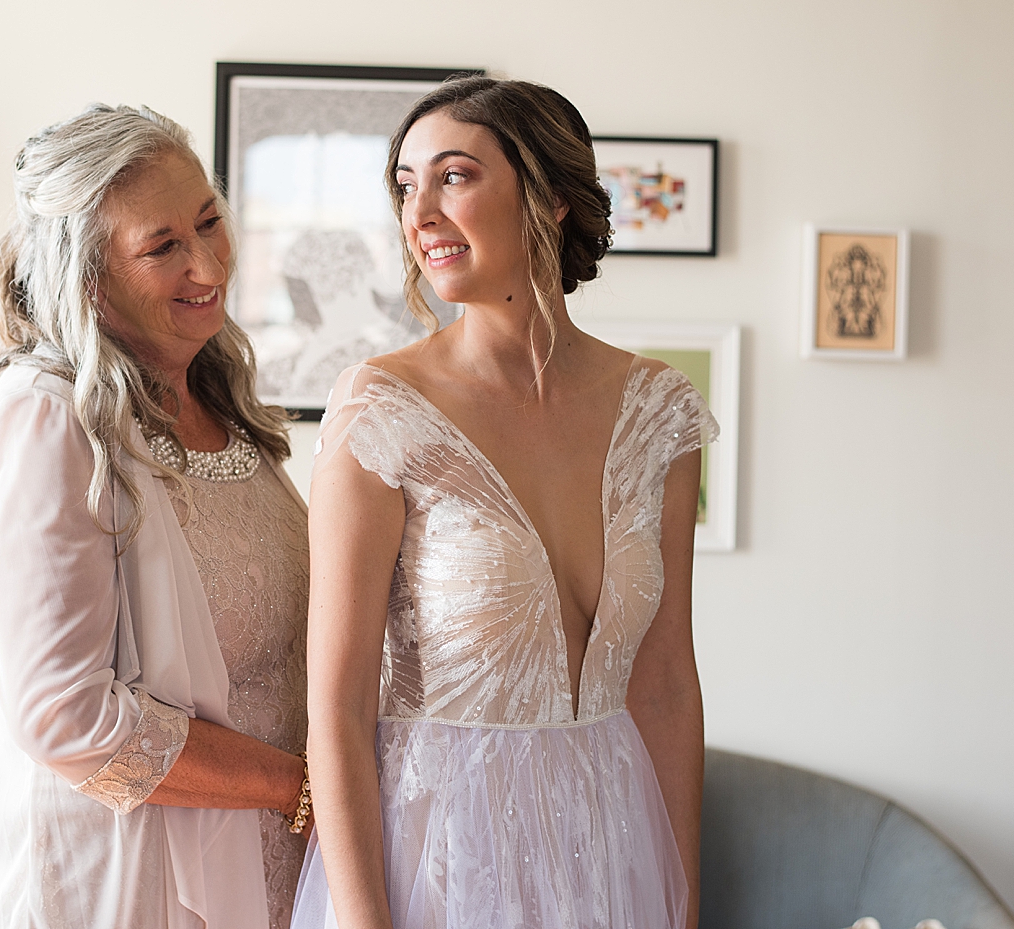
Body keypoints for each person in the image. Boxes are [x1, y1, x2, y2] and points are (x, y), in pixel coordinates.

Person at [295, 77, 716, 929]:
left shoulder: (661, 411)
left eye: (453, 176)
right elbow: (335, 709)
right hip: (439, 861)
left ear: (551, 198)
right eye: (406, 185)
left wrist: (680, 902)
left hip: (609, 852)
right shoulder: (380, 410)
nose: (419, 214)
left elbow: (666, 683)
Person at [0, 103, 311, 929]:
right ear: (89, 279)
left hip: (264, 858)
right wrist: (296, 786)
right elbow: (65, 715)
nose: (207, 263)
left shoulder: (220, 398)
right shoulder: (47, 418)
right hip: (130, 884)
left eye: (210, 222)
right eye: (163, 247)